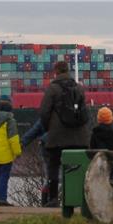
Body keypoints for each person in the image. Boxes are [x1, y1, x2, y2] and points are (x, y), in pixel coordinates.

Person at [40, 60, 90, 208]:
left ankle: (54, 199)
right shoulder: (79, 88)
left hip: (57, 137)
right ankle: (78, 198)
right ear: (68, 70)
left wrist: (48, 129)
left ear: (55, 72)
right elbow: (84, 113)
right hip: (79, 138)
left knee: (53, 166)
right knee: (76, 167)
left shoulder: (52, 89)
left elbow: (44, 112)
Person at [20, 118, 52, 205]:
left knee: (49, 178)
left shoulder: (46, 117)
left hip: (48, 148)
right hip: (68, 147)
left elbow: (33, 132)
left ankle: (46, 204)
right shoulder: (68, 115)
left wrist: (21, 143)